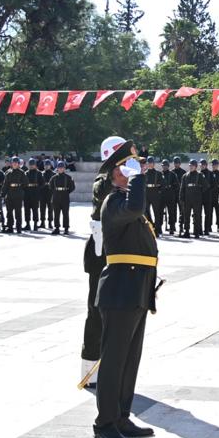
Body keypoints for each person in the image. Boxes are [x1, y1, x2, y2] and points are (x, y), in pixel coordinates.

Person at [91, 143, 159, 438]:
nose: (136, 169)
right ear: (116, 171)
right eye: (129, 165)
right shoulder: (114, 202)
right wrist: (137, 180)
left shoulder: (125, 200)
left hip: (137, 288)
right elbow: (136, 207)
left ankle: (121, 416)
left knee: (130, 359)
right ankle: (104, 423)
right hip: (120, 289)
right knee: (114, 361)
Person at [82, 137, 128, 389]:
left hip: (117, 250)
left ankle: (112, 368)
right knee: (97, 310)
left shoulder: (123, 182)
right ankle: (90, 369)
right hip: (101, 253)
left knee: (118, 312)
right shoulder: (104, 181)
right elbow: (105, 192)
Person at [180, 159, 207, 239]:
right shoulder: (185, 176)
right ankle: (187, 231)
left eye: (192, 166)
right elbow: (182, 188)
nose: (191, 167)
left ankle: (196, 232)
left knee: (197, 216)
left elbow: (206, 186)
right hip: (187, 199)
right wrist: (181, 197)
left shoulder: (200, 175)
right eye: (190, 166)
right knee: (186, 216)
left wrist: (199, 192)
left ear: (195, 166)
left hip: (197, 199)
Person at [49, 159, 75, 235]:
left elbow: (72, 187)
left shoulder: (68, 177)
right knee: (56, 214)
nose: (60, 169)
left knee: (65, 214)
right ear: (57, 168)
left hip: (65, 196)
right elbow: (50, 187)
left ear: (64, 168)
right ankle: (57, 228)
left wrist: (66, 192)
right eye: (59, 167)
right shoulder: (53, 178)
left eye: (62, 167)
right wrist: (56, 192)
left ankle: (66, 228)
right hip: (56, 197)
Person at [2, 157, 27, 234]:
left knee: (18, 212)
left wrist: (21, 191)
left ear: (19, 164)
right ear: (11, 164)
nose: (15, 164)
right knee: (9, 212)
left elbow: (25, 183)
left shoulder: (22, 172)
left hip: (18, 194)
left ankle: (18, 228)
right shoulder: (8, 173)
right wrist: (2, 194)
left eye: (16, 163)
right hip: (10, 194)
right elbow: (5, 184)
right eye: (13, 163)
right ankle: (10, 227)